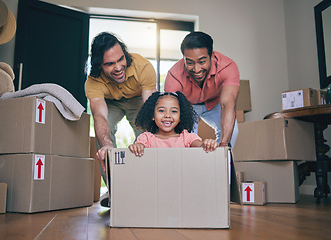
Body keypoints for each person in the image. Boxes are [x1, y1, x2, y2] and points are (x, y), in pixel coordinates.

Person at [85, 32, 156, 206]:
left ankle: (145, 187)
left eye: (120, 59)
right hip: (111, 103)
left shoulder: (143, 66)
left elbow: (150, 110)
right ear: (99, 65)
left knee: (146, 133)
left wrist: (147, 138)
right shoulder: (92, 81)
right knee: (104, 136)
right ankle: (114, 191)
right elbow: (100, 115)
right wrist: (107, 143)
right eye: (109, 64)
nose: (118, 67)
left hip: (138, 100)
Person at [164, 31, 239, 148]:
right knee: (187, 139)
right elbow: (170, 111)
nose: (197, 69)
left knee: (232, 132)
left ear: (212, 56)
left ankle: (222, 163)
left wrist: (224, 146)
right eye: (189, 63)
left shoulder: (227, 67)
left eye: (202, 62)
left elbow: (228, 105)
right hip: (187, 106)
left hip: (214, 103)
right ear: (183, 58)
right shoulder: (174, 75)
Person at [129, 91, 218, 157]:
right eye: (161, 110)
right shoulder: (146, 139)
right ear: (152, 115)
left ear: (180, 117)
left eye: (174, 111)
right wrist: (137, 147)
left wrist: (207, 144)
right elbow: (139, 148)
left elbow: (200, 146)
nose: (167, 115)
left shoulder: (187, 138)